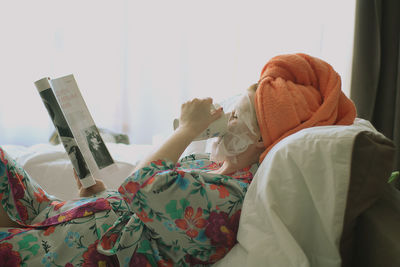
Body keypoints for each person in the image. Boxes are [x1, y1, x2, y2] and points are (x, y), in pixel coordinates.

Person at [0, 53, 357, 266]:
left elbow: (139, 185)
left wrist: (187, 129)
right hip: (58, 217)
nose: (226, 117)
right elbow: (134, 203)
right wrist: (96, 194)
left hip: (63, 253)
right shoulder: (209, 168)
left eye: (236, 115)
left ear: (262, 138)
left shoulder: (229, 199)